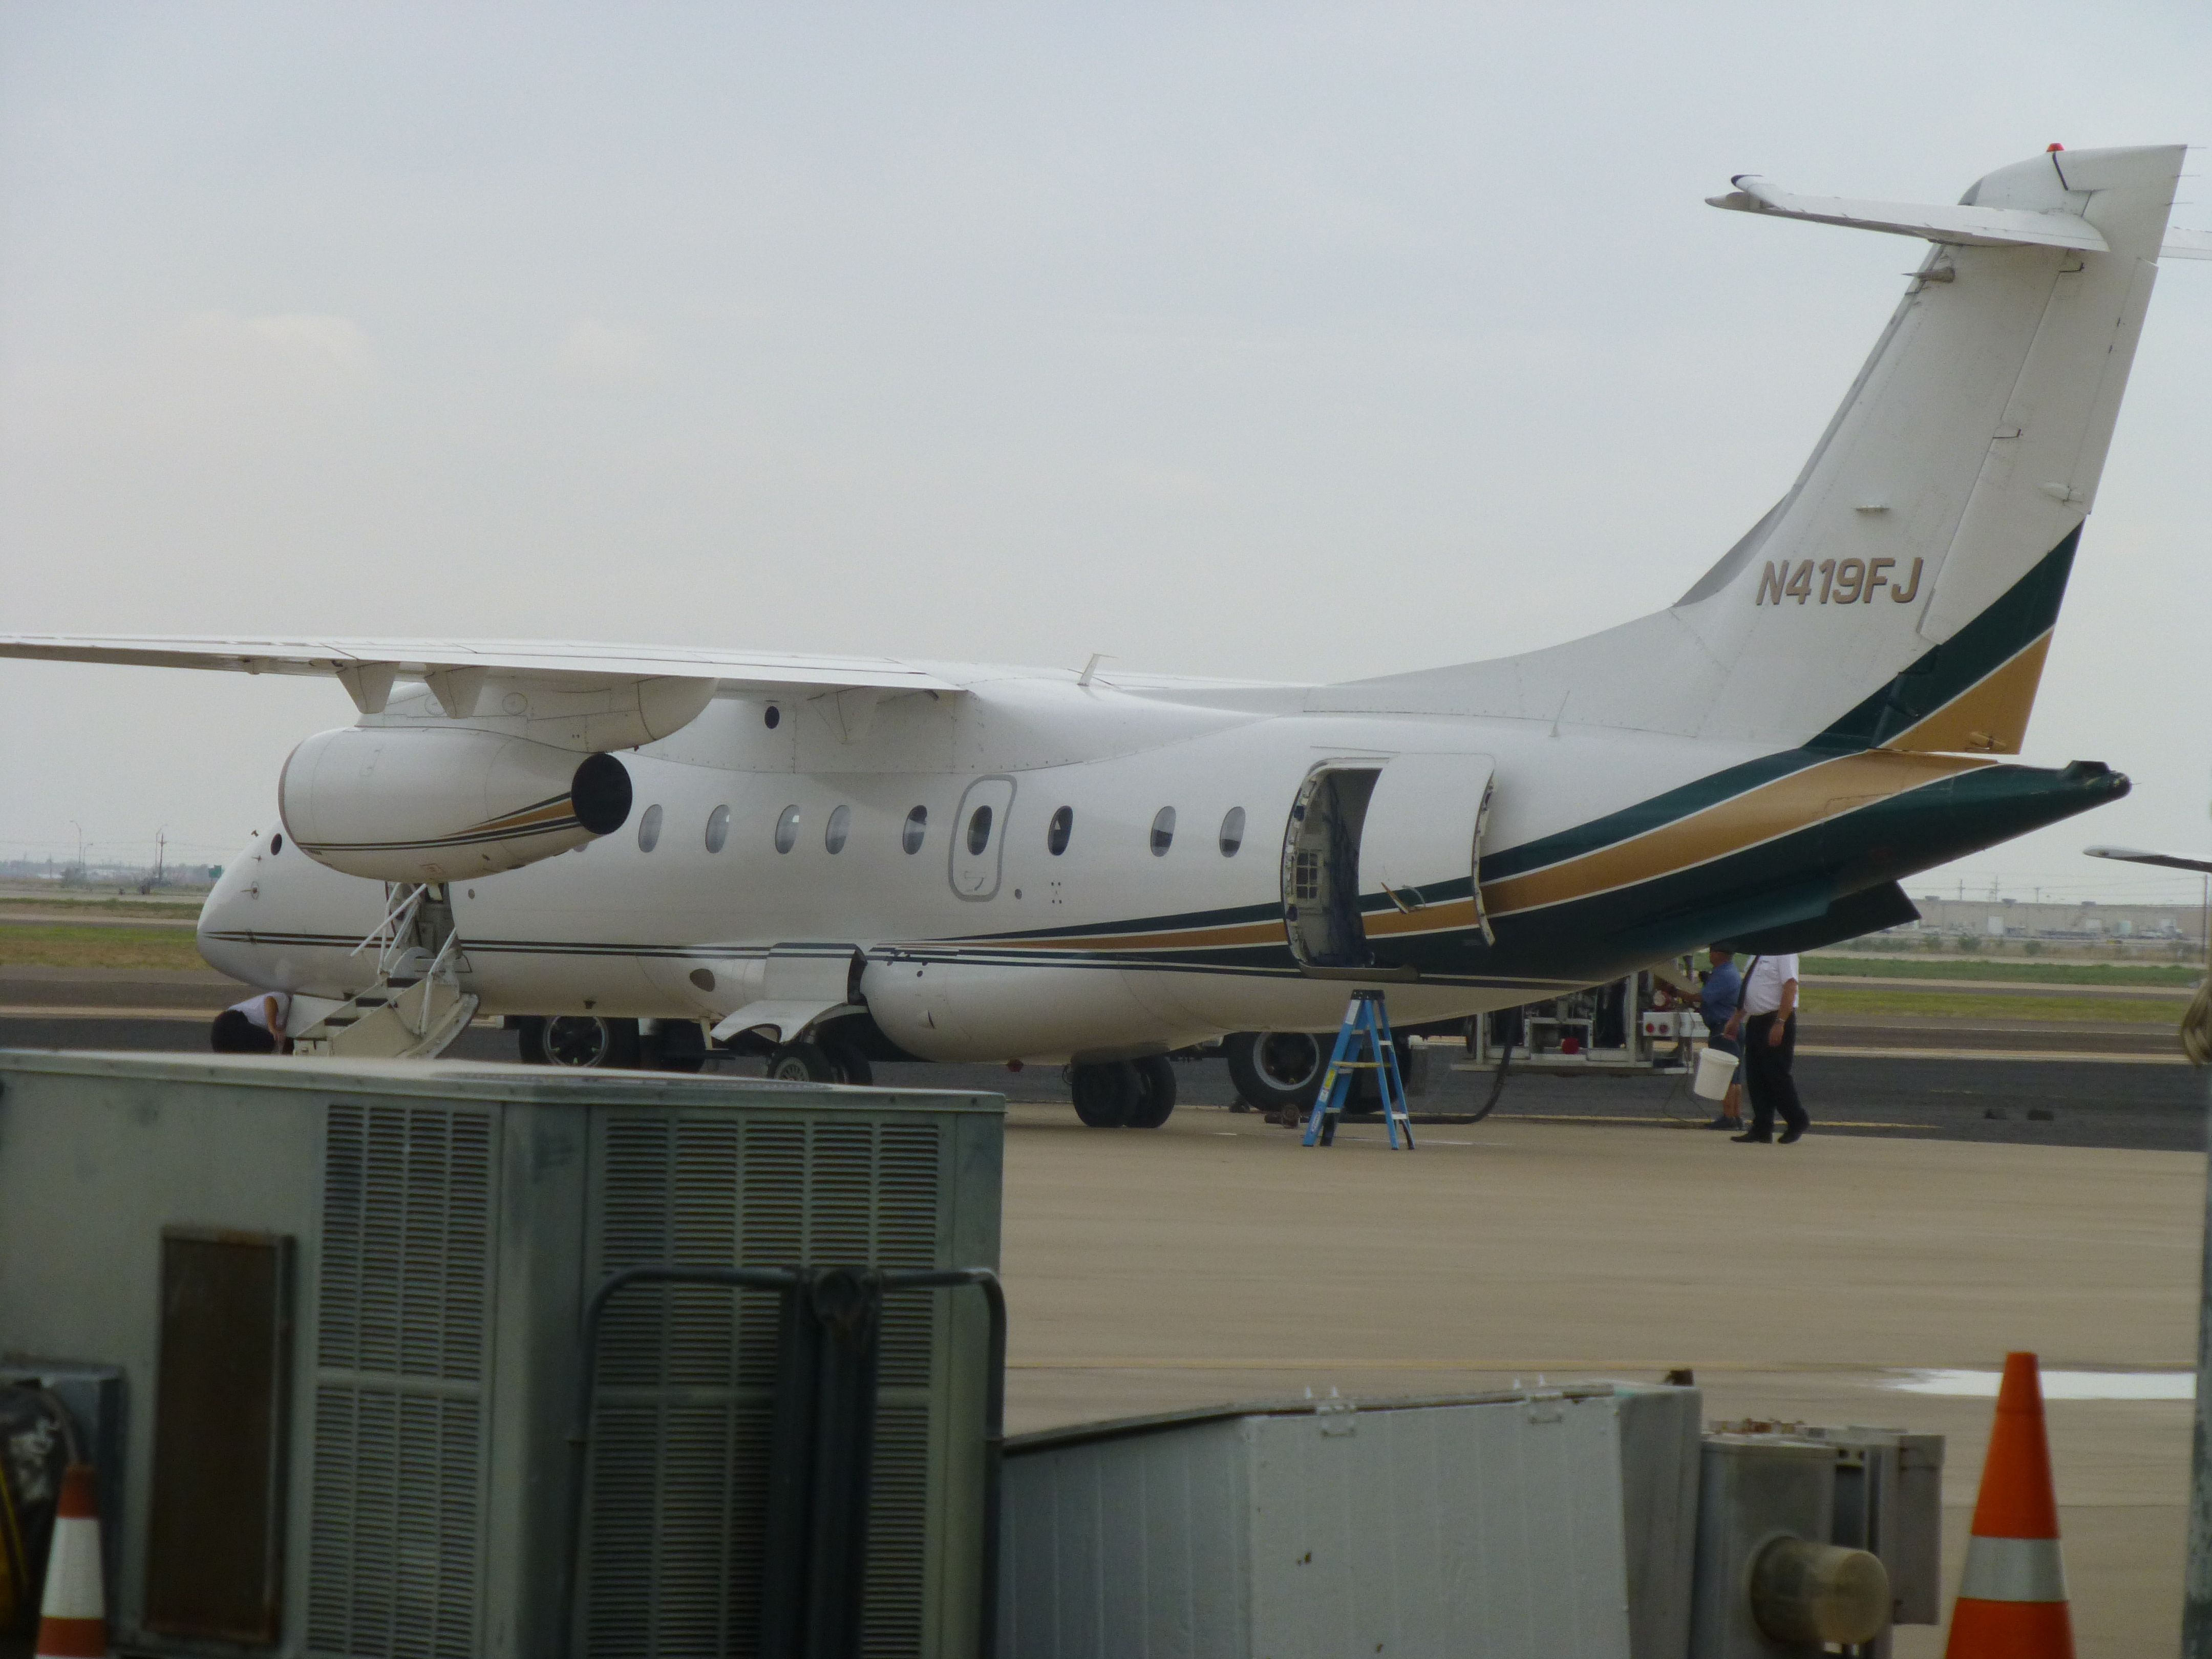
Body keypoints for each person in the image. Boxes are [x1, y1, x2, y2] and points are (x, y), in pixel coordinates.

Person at [1725, 951, 1806, 1143]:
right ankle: (1762, 1127)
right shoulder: (1759, 955)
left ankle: (1797, 1120)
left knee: (1776, 1075)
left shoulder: (1785, 952)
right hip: (1756, 1021)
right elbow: (1750, 991)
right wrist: (1737, 1019)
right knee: (1756, 1077)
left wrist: (1780, 1023)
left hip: (1774, 1019)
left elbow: (1790, 986)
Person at [1696, 947, 1745, 1130]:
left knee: (1726, 1076)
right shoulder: (1729, 972)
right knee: (1735, 1076)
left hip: (1723, 1027)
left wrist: (1679, 993)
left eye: (1712, 951)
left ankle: (1729, 1117)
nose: (1710, 955)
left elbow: (1705, 997)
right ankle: (1736, 1116)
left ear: (1718, 954)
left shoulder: (1724, 974)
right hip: (1732, 1026)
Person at [211, 990, 292, 1055]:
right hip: (227, 1024)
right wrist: (272, 1027)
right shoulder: (285, 1000)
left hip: (225, 1043)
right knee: (268, 1042)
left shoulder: (287, 1025)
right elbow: (270, 1000)